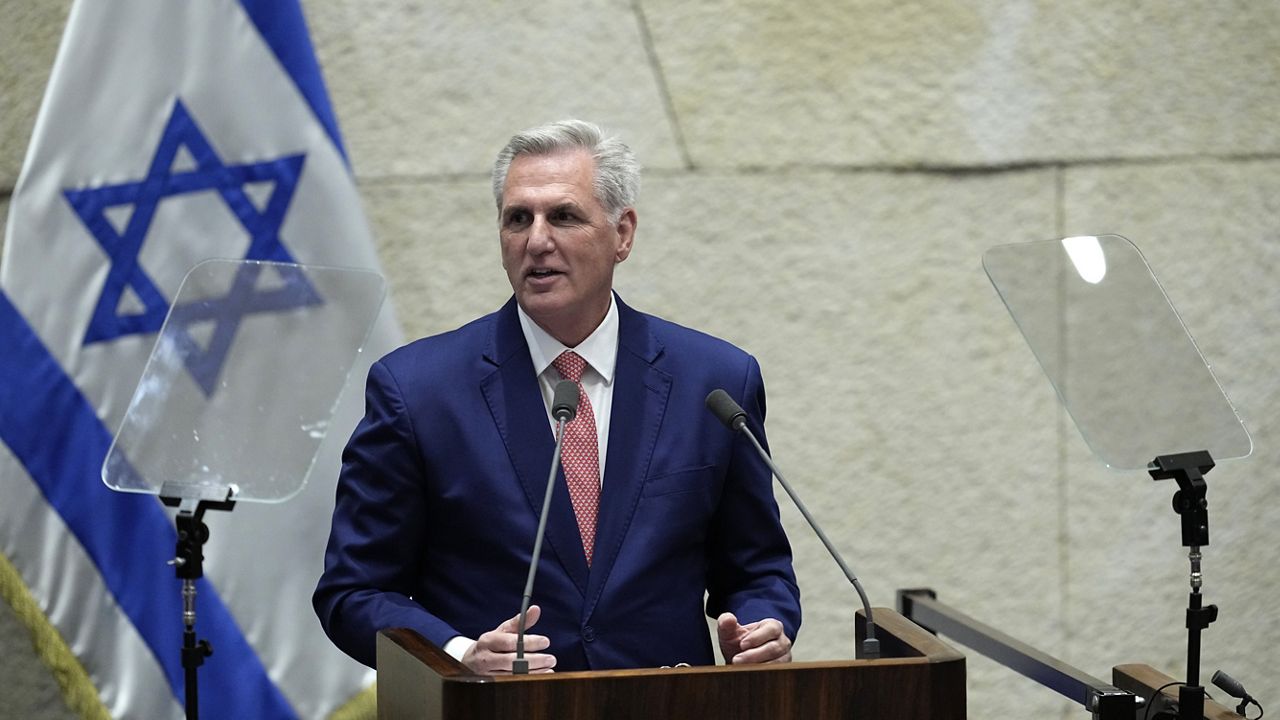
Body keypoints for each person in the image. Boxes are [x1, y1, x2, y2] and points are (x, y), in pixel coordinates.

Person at [314, 119, 800, 673]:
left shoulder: (714, 381)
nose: (537, 240)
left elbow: (757, 569)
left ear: (623, 234)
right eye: (518, 218)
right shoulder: (418, 390)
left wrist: (765, 625)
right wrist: (461, 655)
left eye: (564, 216)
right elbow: (353, 592)